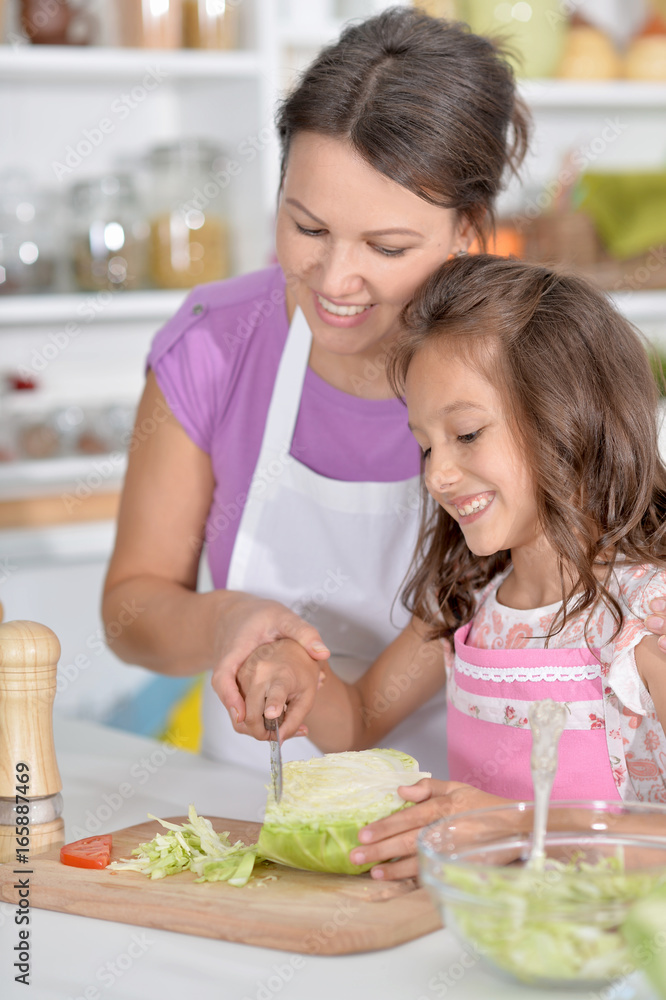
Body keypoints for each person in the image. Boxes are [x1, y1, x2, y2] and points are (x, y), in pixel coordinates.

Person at [102, 7, 666, 772]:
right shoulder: (216, 343)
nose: (335, 280)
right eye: (306, 227)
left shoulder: (527, 370)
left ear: (468, 229)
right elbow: (131, 612)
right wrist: (234, 623)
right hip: (260, 803)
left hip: (459, 840)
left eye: (387, 246)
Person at [235, 254, 666, 879]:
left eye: (466, 434)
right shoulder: (464, 604)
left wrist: (514, 823)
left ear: (572, 416)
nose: (436, 474)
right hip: (485, 937)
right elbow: (356, 720)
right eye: (425, 445)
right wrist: (298, 674)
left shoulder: (645, 618)